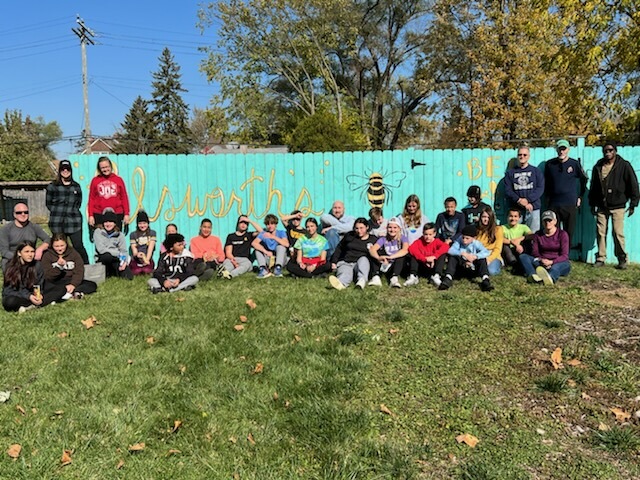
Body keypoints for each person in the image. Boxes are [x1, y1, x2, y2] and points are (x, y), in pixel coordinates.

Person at [588, 142, 639, 269]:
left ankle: (622, 259)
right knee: (600, 233)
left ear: (615, 151)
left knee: (617, 233)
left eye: (610, 150)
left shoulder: (624, 165)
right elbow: (593, 187)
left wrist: (633, 203)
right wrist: (592, 204)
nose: (608, 152)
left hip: (618, 205)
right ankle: (600, 258)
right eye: (605, 150)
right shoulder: (598, 166)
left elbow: (633, 184)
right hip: (601, 205)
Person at [544, 139, 588, 246]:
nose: (561, 152)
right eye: (559, 149)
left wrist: (580, 196)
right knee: (554, 231)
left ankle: (565, 256)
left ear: (568, 150)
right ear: (556, 150)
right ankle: (554, 255)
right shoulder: (550, 164)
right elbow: (546, 182)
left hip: (569, 203)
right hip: (554, 204)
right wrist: (547, 198)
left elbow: (584, 179)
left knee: (568, 232)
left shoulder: (574, 164)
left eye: (563, 149)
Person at [45, 159, 89, 264]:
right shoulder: (52, 186)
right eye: (63, 169)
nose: (65, 171)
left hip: (74, 222)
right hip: (57, 222)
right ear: (60, 171)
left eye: (67, 169)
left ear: (71, 171)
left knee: (78, 246)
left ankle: (86, 268)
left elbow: (79, 203)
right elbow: (48, 204)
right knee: (58, 247)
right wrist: (58, 212)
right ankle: (57, 269)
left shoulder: (76, 186)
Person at [3, 241, 66, 312]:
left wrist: (39, 295)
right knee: (9, 302)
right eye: (26, 252)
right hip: (18, 294)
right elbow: (8, 291)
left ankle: (32, 305)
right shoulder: (10, 266)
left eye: (32, 251)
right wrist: (29, 296)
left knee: (61, 289)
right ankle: (37, 304)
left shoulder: (37, 265)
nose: (30, 254)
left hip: (33, 291)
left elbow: (39, 284)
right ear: (19, 253)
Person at [519, 210, 570, 285]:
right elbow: (535, 252)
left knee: (555, 267)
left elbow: (564, 255)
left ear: (555, 221)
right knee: (523, 257)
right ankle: (533, 276)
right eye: (545, 220)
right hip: (541, 261)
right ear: (542, 222)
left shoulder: (562, 234)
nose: (547, 223)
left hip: (558, 262)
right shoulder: (538, 234)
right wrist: (542, 260)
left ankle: (550, 278)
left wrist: (552, 262)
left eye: (550, 220)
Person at [438, 225, 494, 292]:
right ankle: (448, 278)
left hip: (473, 267)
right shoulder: (459, 240)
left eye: (467, 238)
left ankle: (485, 279)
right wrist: (462, 253)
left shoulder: (476, 243)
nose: (464, 240)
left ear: (474, 238)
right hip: (461, 267)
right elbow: (451, 250)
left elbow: (486, 252)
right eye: (463, 237)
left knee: (482, 259)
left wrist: (475, 256)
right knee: (453, 257)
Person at [41, 233, 97, 300]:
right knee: (50, 288)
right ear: (52, 245)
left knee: (91, 285)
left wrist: (73, 284)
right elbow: (48, 275)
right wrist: (59, 267)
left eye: (62, 245)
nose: (60, 249)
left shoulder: (73, 253)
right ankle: (69, 293)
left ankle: (71, 292)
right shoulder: (47, 255)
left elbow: (79, 271)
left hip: (71, 280)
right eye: (56, 246)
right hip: (56, 281)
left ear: (66, 244)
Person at [328, 217, 377, 290]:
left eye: (361, 228)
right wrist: (334, 261)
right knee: (345, 273)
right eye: (356, 228)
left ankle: (361, 281)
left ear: (367, 227)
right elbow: (339, 248)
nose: (359, 231)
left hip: (361, 263)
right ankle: (341, 283)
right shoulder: (349, 235)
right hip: (347, 261)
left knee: (364, 259)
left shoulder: (373, 239)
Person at [504, 146, 545, 232]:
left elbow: (540, 188)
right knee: (515, 234)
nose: (522, 157)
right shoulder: (510, 173)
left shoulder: (536, 171)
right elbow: (508, 190)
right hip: (516, 210)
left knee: (532, 235)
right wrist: (519, 200)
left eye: (525, 155)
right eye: (520, 154)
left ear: (529, 156)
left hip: (533, 208)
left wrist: (528, 200)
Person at [0, 202, 50, 271]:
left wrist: (40, 249)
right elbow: (4, 251)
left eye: (26, 212)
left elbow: (48, 239)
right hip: (12, 259)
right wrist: (20, 258)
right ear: (14, 214)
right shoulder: (5, 229)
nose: (23, 214)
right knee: (5, 261)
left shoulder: (34, 227)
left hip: (30, 257)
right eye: (19, 212)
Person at [88, 156, 130, 234]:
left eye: (107, 167)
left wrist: (126, 214)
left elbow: (124, 197)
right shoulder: (95, 180)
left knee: (115, 239)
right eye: (102, 167)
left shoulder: (118, 180)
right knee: (100, 238)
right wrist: (91, 215)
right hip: (99, 214)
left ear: (111, 166)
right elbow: (91, 199)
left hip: (117, 213)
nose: (105, 169)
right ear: (99, 169)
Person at [368, 217, 409, 288]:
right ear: (387, 228)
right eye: (390, 227)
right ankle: (376, 277)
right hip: (385, 263)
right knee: (375, 254)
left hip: (396, 264)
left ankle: (394, 278)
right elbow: (373, 249)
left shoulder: (403, 238)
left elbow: (405, 250)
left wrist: (390, 257)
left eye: (395, 227)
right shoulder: (383, 239)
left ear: (399, 229)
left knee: (401, 256)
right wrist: (379, 258)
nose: (392, 230)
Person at [93, 210, 133, 280]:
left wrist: (124, 262)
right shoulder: (98, 232)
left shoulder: (120, 235)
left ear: (114, 223)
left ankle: (115, 272)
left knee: (128, 276)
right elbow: (101, 250)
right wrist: (118, 254)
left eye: (111, 221)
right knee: (107, 256)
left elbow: (124, 250)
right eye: (106, 222)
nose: (108, 224)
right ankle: (107, 273)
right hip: (103, 258)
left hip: (116, 259)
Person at [220, 215, 263, 279]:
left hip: (244, 259)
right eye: (242, 222)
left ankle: (231, 275)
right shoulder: (231, 236)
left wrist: (250, 221)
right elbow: (228, 252)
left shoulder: (249, 235)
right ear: (238, 223)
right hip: (232, 258)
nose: (243, 224)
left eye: (246, 223)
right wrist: (234, 262)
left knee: (247, 265)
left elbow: (261, 231)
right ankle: (224, 273)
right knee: (228, 265)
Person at [407, 222, 449, 287]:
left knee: (442, 255)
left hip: (433, 266)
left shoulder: (436, 241)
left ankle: (436, 276)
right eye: (425, 234)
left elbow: (446, 246)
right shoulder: (419, 241)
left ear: (434, 234)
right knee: (414, 255)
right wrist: (425, 259)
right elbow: (411, 249)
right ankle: (413, 276)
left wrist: (434, 256)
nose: (427, 237)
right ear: (423, 233)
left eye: (430, 234)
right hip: (422, 265)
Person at [475, 206, 503, 275]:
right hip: (479, 255)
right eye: (484, 217)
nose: (486, 219)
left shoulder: (498, 229)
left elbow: (498, 249)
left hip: (492, 255)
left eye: (488, 217)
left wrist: (489, 259)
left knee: (491, 271)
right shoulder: (476, 229)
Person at [129, 211, 156, 275]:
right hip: (137, 259)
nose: (142, 225)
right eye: (140, 223)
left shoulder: (152, 233)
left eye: (144, 223)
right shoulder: (133, 234)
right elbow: (134, 249)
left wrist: (146, 259)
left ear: (148, 223)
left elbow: (150, 248)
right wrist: (137, 254)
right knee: (136, 271)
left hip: (147, 257)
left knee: (146, 270)